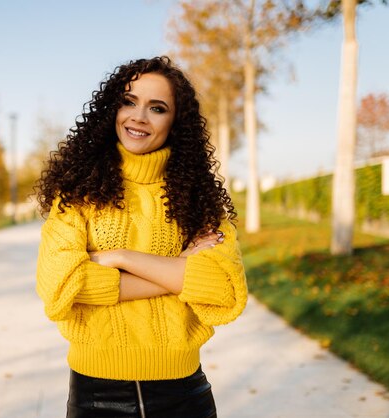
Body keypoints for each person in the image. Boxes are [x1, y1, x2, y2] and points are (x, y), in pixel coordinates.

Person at [35, 56, 247, 418]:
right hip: (95, 397)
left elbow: (225, 292)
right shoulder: (77, 193)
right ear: (111, 110)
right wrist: (178, 270)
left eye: (157, 108)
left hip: (184, 395)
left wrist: (120, 258)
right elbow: (59, 286)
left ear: (175, 121)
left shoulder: (199, 199)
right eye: (129, 102)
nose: (138, 117)